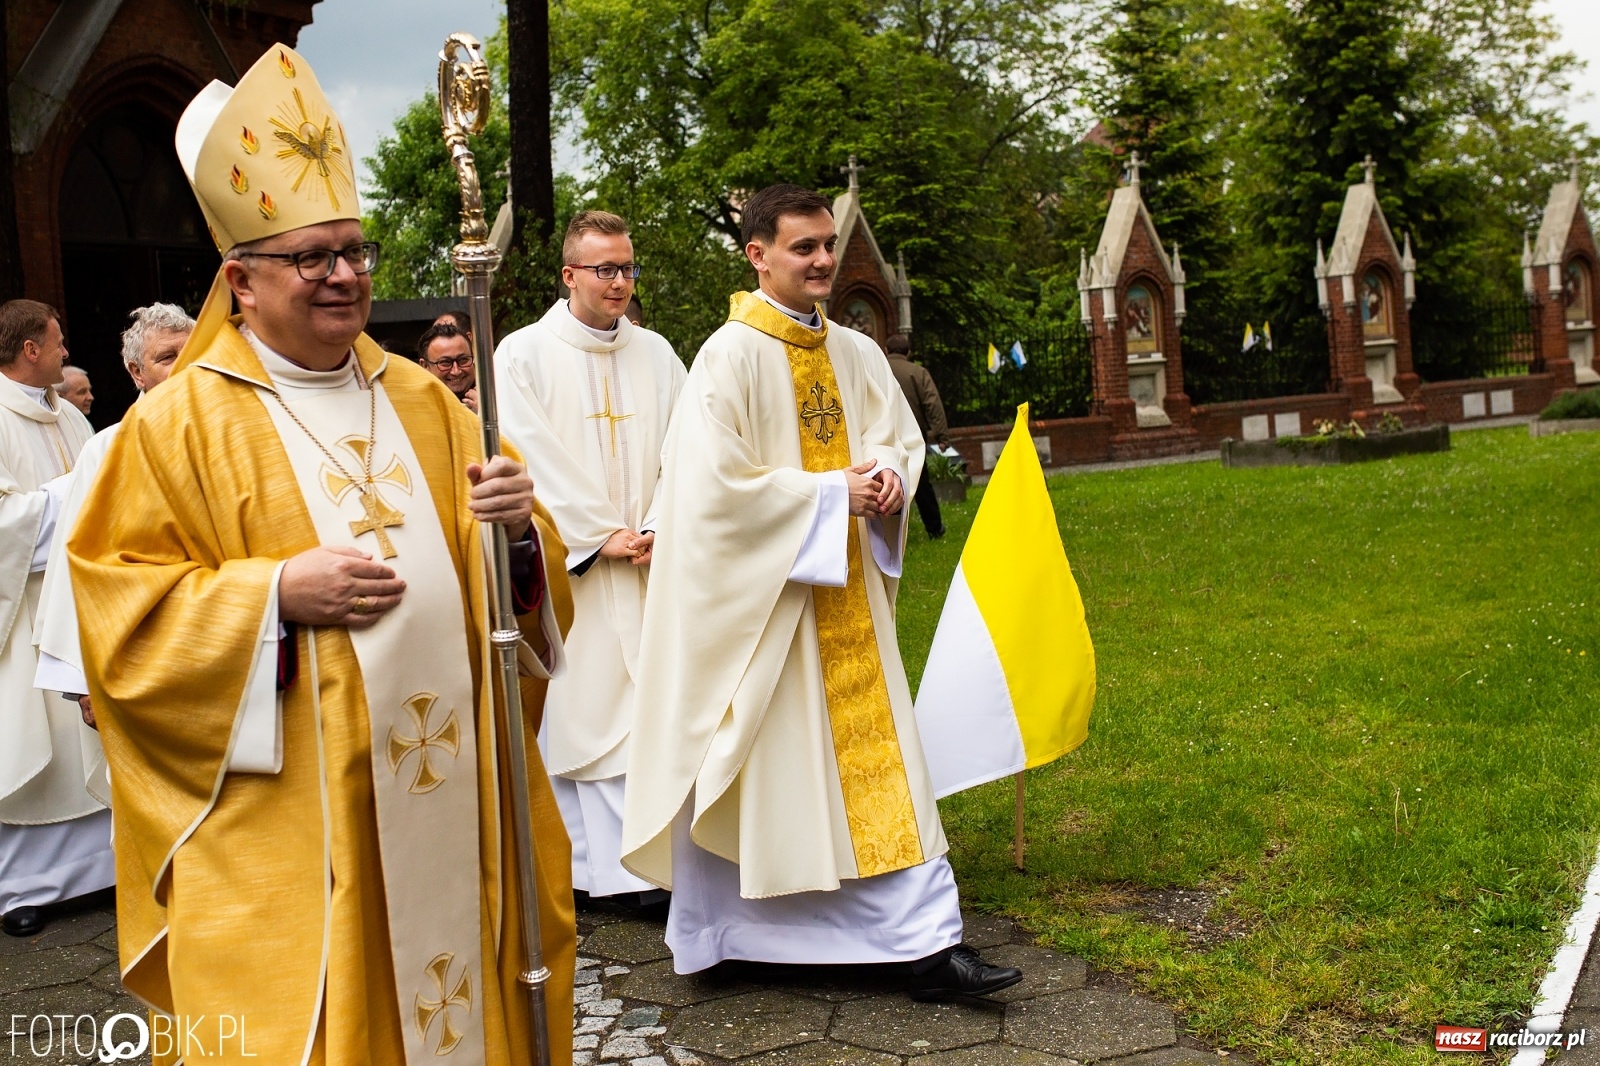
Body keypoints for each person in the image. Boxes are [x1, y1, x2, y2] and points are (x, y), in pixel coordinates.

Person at [67, 46, 577, 1064]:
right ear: (239, 280)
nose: (344, 275)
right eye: (311, 257)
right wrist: (271, 595)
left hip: (453, 783)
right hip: (299, 817)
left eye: (354, 249)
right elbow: (116, 621)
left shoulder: (425, 399)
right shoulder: (176, 427)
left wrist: (522, 531)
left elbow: (516, 594)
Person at [619, 184, 1021, 999]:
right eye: (804, 247)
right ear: (757, 254)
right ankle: (728, 933)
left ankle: (922, 943)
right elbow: (704, 495)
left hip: (848, 613)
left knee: (881, 772)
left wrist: (888, 484)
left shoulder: (858, 352)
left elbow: (896, 445)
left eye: (828, 245)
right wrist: (831, 492)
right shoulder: (727, 356)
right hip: (766, 620)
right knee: (761, 773)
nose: (824, 261)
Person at [496, 210, 686, 904]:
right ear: (570, 274)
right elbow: (526, 451)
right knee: (587, 713)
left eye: (628, 268)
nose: (620, 282)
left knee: (649, 712)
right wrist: (596, 532)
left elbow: (687, 446)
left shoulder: (658, 353)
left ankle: (651, 863)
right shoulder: (521, 355)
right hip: (576, 567)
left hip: (648, 565)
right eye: (605, 269)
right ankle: (592, 873)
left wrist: (664, 522)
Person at [35, 303, 195, 824]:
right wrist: (79, 678)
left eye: (191, 352)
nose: (182, 366)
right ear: (136, 372)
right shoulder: (107, 451)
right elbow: (72, 562)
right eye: (166, 357)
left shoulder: (236, 435)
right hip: (137, 658)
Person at [0, 300, 97, 938]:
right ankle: (25, 888)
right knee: (41, 743)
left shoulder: (69, 415)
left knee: (87, 741)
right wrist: (67, 497)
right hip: (28, 605)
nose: (66, 351)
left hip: (81, 601)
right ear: (31, 349)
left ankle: (104, 870)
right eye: (58, 342)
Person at [884, 333, 948, 538]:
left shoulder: (877, 369)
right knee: (921, 482)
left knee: (885, 481)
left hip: (883, 436)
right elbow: (933, 404)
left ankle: (889, 533)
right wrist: (941, 435)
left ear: (886, 350)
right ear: (908, 352)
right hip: (912, 436)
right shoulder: (918, 372)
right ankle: (934, 528)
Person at [418, 320, 480, 412]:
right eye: (445, 362)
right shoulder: (415, 408)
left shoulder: (496, 399)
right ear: (425, 366)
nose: (456, 371)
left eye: (463, 360)